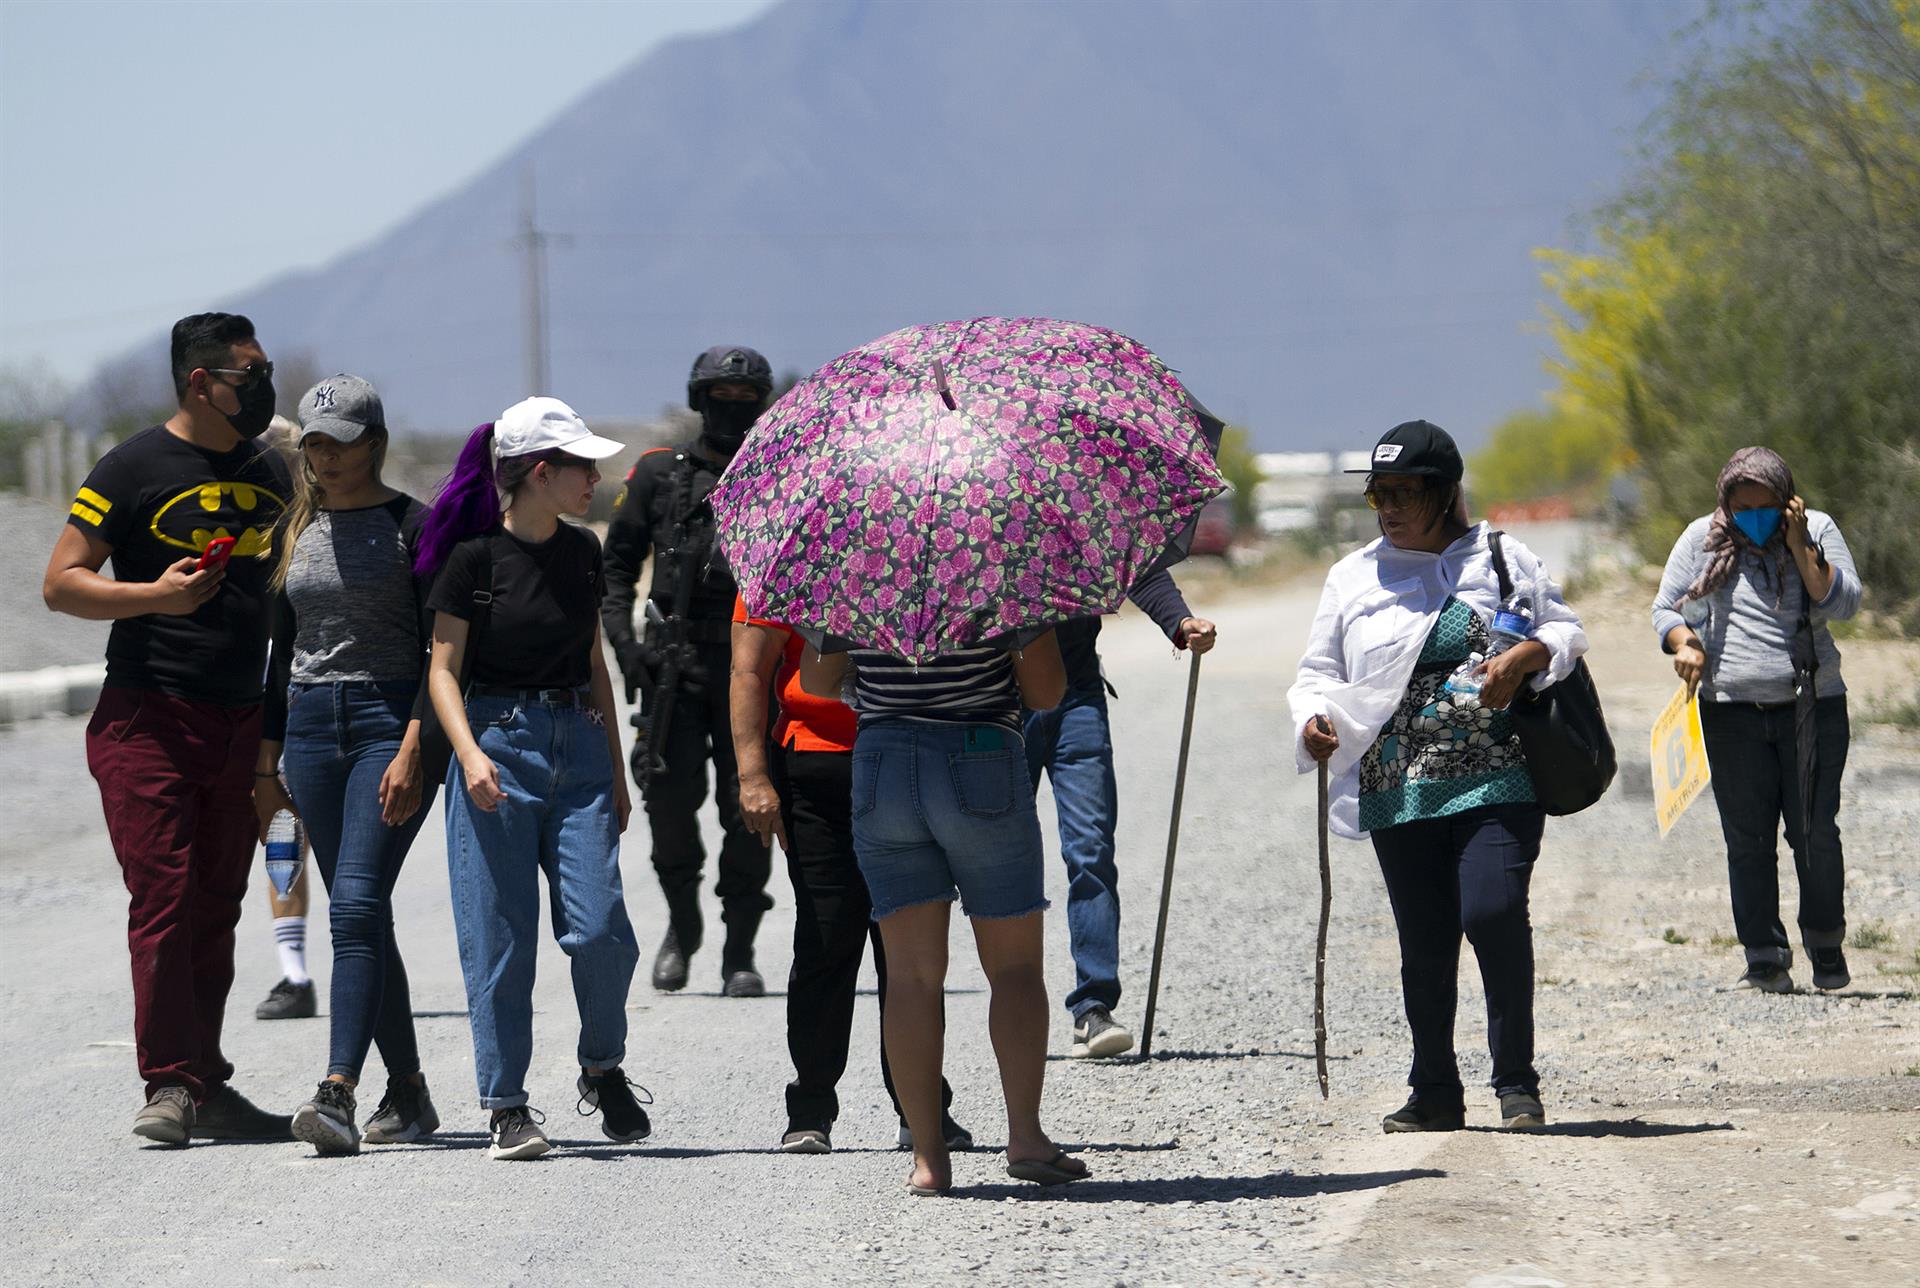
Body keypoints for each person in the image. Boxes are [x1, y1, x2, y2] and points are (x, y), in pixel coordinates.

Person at [1288, 420, 1588, 1133]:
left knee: (1492, 913)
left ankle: (1516, 1083)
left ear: (1447, 493)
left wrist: (1528, 656)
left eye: (1406, 493)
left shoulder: (1501, 556)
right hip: (1399, 787)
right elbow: (1317, 672)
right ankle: (1434, 1092)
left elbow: (1565, 629)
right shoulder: (1353, 576)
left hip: (1498, 774)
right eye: (1379, 495)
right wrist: (1313, 719)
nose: (1389, 508)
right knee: (1424, 944)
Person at [42, 312, 293, 1145]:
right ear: (201, 382)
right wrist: (156, 596)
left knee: (217, 904)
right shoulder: (131, 467)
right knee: (165, 899)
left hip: (242, 719)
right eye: (250, 374)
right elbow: (61, 583)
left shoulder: (271, 468)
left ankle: (205, 1082)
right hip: (149, 717)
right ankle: (169, 1084)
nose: (263, 387)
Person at [419, 397, 648, 1161]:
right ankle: (507, 1106)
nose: (596, 479)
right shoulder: (474, 561)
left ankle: (602, 1064)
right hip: (495, 745)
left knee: (602, 929)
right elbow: (442, 672)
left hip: (577, 747)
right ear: (541, 474)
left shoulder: (583, 552)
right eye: (584, 467)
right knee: (501, 939)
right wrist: (469, 756)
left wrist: (614, 768)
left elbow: (593, 662)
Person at [802, 632, 1091, 1195]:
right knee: (1013, 968)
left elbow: (816, 682)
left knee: (910, 976)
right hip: (980, 752)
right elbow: (1047, 690)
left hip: (882, 761)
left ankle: (929, 1159)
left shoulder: (853, 577)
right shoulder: (1003, 576)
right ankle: (1026, 1137)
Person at [255, 376, 442, 1155]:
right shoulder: (293, 528)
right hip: (308, 728)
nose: (327, 456)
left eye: (342, 442)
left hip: (388, 725)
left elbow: (441, 654)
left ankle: (337, 1090)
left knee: (356, 906)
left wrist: (414, 745)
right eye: (314, 442)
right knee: (361, 913)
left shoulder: (414, 526)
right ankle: (410, 1093)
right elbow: (281, 650)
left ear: (375, 442)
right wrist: (267, 757)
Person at [729, 598, 970, 1154]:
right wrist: (753, 775)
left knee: (912, 944)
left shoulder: (926, 552)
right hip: (816, 767)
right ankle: (811, 1108)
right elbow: (748, 670)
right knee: (826, 934)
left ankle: (921, 1109)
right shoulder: (788, 560)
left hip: (911, 752)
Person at [1651, 446, 1861, 993]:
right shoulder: (1703, 539)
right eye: (1742, 508)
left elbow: (1843, 603)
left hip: (1812, 708)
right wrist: (1686, 642)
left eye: (1766, 507)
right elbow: (1666, 608)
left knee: (1814, 832)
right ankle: (1765, 958)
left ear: (1788, 500)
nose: (1754, 518)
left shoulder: (1816, 530)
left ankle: (1826, 944)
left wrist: (1799, 546)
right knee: (1747, 840)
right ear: (1726, 502)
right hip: (1731, 714)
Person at [603, 346, 777, 997]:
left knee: (749, 808)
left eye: (744, 399)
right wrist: (627, 649)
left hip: (751, 668)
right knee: (670, 807)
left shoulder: (778, 474)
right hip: (671, 672)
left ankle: (740, 950)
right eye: (719, 398)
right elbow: (615, 570)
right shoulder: (658, 474)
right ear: (699, 401)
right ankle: (682, 925)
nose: (731, 410)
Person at [1027, 573, 1217, 1059]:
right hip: (1001, 704)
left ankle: (1092, 1007)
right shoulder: (972, 525)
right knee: (1004, 864)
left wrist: (1180, 622)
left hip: (1076, 696)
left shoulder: (1077, 519)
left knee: (1090, 848)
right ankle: (1014, 1010)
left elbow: (1138, 562)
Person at [254, 416, 318, 1022]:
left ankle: (303, 972)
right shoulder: (253, 531)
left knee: (289, 833)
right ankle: (294, 972)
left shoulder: (314, 529)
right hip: (264, 695)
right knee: (282, 832)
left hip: (309, 697)